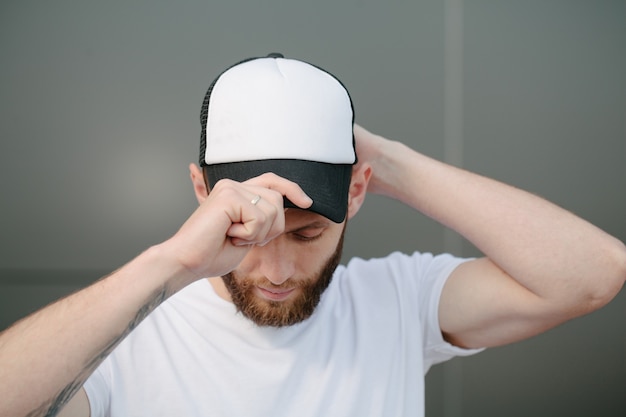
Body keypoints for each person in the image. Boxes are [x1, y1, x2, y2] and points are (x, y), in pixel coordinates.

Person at [0, 53, 624, 417]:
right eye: (245, 233)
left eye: (307, 235)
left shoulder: (398, 301)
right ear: (201, 192)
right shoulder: (127, 333)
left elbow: (594, 275)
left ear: (356, 194)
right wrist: (170, 262)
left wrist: (387, 162)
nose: (275, 271)